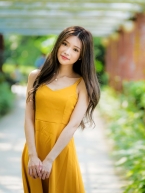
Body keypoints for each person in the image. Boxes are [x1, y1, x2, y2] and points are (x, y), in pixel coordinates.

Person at [21, 26, 100, 193]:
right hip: (34, 150)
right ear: (58, 44)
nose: (67, 51)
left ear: (81, 56)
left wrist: (49, 160)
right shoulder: (36, 76)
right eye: (65, 44)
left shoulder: (83, 85)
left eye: (75, 49)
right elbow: (28, 117)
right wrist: (33, 156)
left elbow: (72, 125)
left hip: (60, 153)